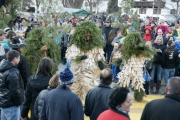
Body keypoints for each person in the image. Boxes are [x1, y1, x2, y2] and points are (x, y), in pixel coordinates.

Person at [0, 50, 24, 120]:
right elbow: (15, 90)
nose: (19, 60)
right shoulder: (13, 72)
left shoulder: (2, 69)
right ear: (15, 59)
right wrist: (19, 102)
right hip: (11, 104)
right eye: (19, 58)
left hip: (3, 102)